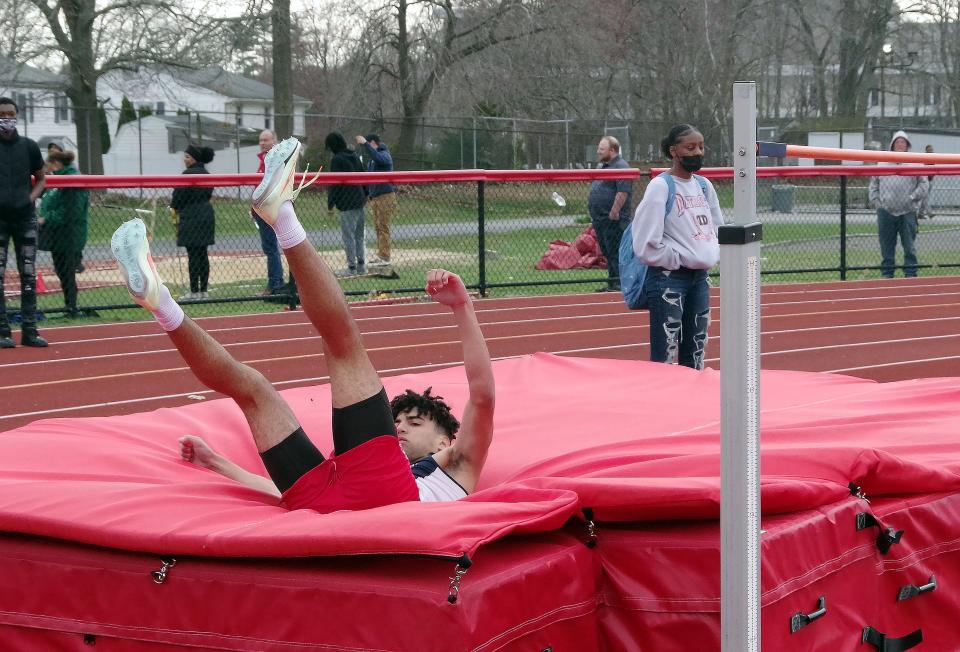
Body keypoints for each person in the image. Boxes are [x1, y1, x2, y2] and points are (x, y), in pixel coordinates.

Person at [110, 137, 494, 511]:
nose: (401, 428)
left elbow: (482, 397)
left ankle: (282, 215)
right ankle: (158, 301)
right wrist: (215, 462)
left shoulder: (457, 465)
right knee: (252, 390)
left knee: (342, 346)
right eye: (398, 420)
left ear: (445, 441)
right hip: (319, 497)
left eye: (414, 422)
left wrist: (463, 307)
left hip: (385, 492)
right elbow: (280, 490)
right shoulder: (392, 456)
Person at [631, 124, 724, 370]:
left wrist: (710, 254)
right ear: (674, 151)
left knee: (696, 349)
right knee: (665, 352)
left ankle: (692, 402)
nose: (697, 152)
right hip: (669, 279)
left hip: (700, 277)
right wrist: (677, 259)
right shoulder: (661, 186)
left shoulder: (704, 186)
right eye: (690, 147)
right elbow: (645, 241)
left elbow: (716, 228)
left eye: (701, 147)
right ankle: (663, 403)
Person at [0, 96, 47, 348]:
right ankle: (2, 331)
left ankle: (30, 330)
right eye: (2, 114)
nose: (6, 118)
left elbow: (41, 178)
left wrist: (30, 198)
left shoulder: (29, 146)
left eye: (10, 114)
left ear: (16, 116)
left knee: (27, 273)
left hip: (24, 218)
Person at [869, 130, 928, 279]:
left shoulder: (916, 161)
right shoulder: (882, 162)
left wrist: (912, 197)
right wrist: (877, 202)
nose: (900, 144)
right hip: (886, 211)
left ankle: (910, 273)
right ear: (892, 145)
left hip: (908, 211)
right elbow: (873, 184)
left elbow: (924, 184)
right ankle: (887, 274)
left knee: (909, 247)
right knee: (886, 246)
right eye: (897, 142)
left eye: (903, 142)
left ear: (907, 145)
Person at [38, 150, 88, 318]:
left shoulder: (72, 179)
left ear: (57, 164)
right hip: (57, 235)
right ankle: (69, 306)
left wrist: (46, 218)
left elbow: (70, 211)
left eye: (49, 165)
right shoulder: (56, 180)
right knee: (61, 271)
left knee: (67, 272)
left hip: (70, 235)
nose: (48, 169)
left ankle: (72, 307)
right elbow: (45, 195)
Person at [171, 144, 216, 300]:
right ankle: (204, 291)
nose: (184, 159)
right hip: (207, 216)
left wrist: (174, 206)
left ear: (194, 158)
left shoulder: (186, 175)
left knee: (193, 255)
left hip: (190, 217)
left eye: (187, 156)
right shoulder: (207, 174)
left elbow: (176, 199)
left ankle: (194, 291)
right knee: (203, 254)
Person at [587, 136, 632, 292]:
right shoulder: (606, 167)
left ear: (612, 150)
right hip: (601, 219)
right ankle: (612, 283)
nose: (598, 151)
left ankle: (619, 284)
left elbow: (623, 191)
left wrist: (614, 212)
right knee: (608, 252)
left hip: (613, 220)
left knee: (615, 253)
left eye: (601, 148)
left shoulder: (621, 166)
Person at [325, 132, 367, 277]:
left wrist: (330, 204)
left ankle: (352, 267)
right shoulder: (354, 156)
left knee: (348, 236)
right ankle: (361, 266)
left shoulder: (337, 160)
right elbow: (364, 176)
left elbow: (334, 183)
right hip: (360, 200)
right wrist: (365, 195)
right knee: (359, 236)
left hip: (347, 203)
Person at [252, 129, 286, 297]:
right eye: (260, 140)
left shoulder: (274, 159)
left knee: (271, 247)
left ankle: (275, 283)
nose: (262, 143)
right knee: (270, 247)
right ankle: (276, 282)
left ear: (274, 140)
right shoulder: (264, 160)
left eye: (266, 140)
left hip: (269, 208)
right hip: (262, 208)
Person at [355, 133, 396, 268]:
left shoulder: (384, 154)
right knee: (378, 227)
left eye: (369, 143)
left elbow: (379, 158)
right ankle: (381, 255)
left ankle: (385, 257)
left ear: (373, 143)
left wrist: (365, 144)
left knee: (383, 226)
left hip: (386, 196)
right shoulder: (372, 160)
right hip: (376, 197)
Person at [920, 144, 936, 219]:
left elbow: (934, 169)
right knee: (925, 197)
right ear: (926, 151)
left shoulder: (933, 159)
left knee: (925, 197)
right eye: (930, 150)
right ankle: (929, 213)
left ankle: (920, 213)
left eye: (932, 150)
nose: (931, 151)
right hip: (925, 180)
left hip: (931, 180)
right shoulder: (925, 158)